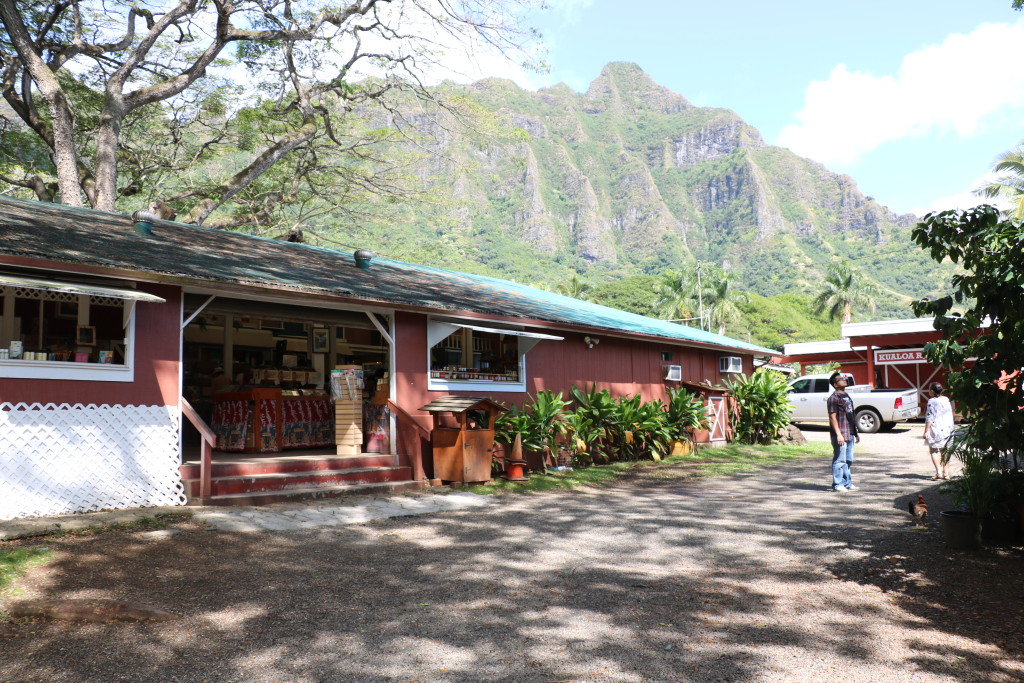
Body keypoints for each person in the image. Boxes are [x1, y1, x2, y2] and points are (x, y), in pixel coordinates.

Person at [827, 372, 860, 491]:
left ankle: (847, 483)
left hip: (850, 432)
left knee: (848, 460)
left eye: (844, 378)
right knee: (840, 460)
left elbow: (851, 415)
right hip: (840, 434)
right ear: (835, 384)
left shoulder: (846, 396)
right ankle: (838, 484)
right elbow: (832, 417)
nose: (844, 380)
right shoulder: (833, 398)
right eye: (841, 379)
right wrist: (838, 434)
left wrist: (855, 433)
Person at [922, 381, 954, 480]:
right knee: (946, 450)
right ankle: (946, 473)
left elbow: (930, 417)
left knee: (934, 450)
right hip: (948, 428)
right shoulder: (946, 399)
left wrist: (926, 431)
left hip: (937, 428)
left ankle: (939, 472)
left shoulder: (932, 401)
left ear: (932, 391)